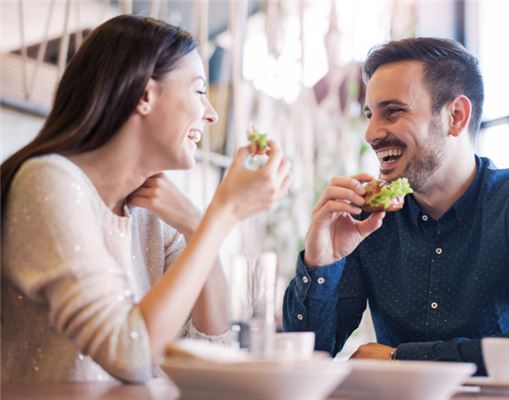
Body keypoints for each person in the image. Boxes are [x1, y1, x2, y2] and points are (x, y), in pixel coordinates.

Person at [1, 15, 292, 383]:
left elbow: (210, 349)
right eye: (199, 91)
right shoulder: (47, 181)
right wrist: (223, 214)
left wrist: (197, 223)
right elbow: (131, 355)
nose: (212, 114)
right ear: (145, 95)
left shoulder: (151, 214)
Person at [283, 37, 509, 388]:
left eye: (392, 111)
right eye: (369, 114)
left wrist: (401, 359)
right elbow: (305, 361)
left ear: (455, 116)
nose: (371, 133)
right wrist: (322, 262)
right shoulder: (367, 219)